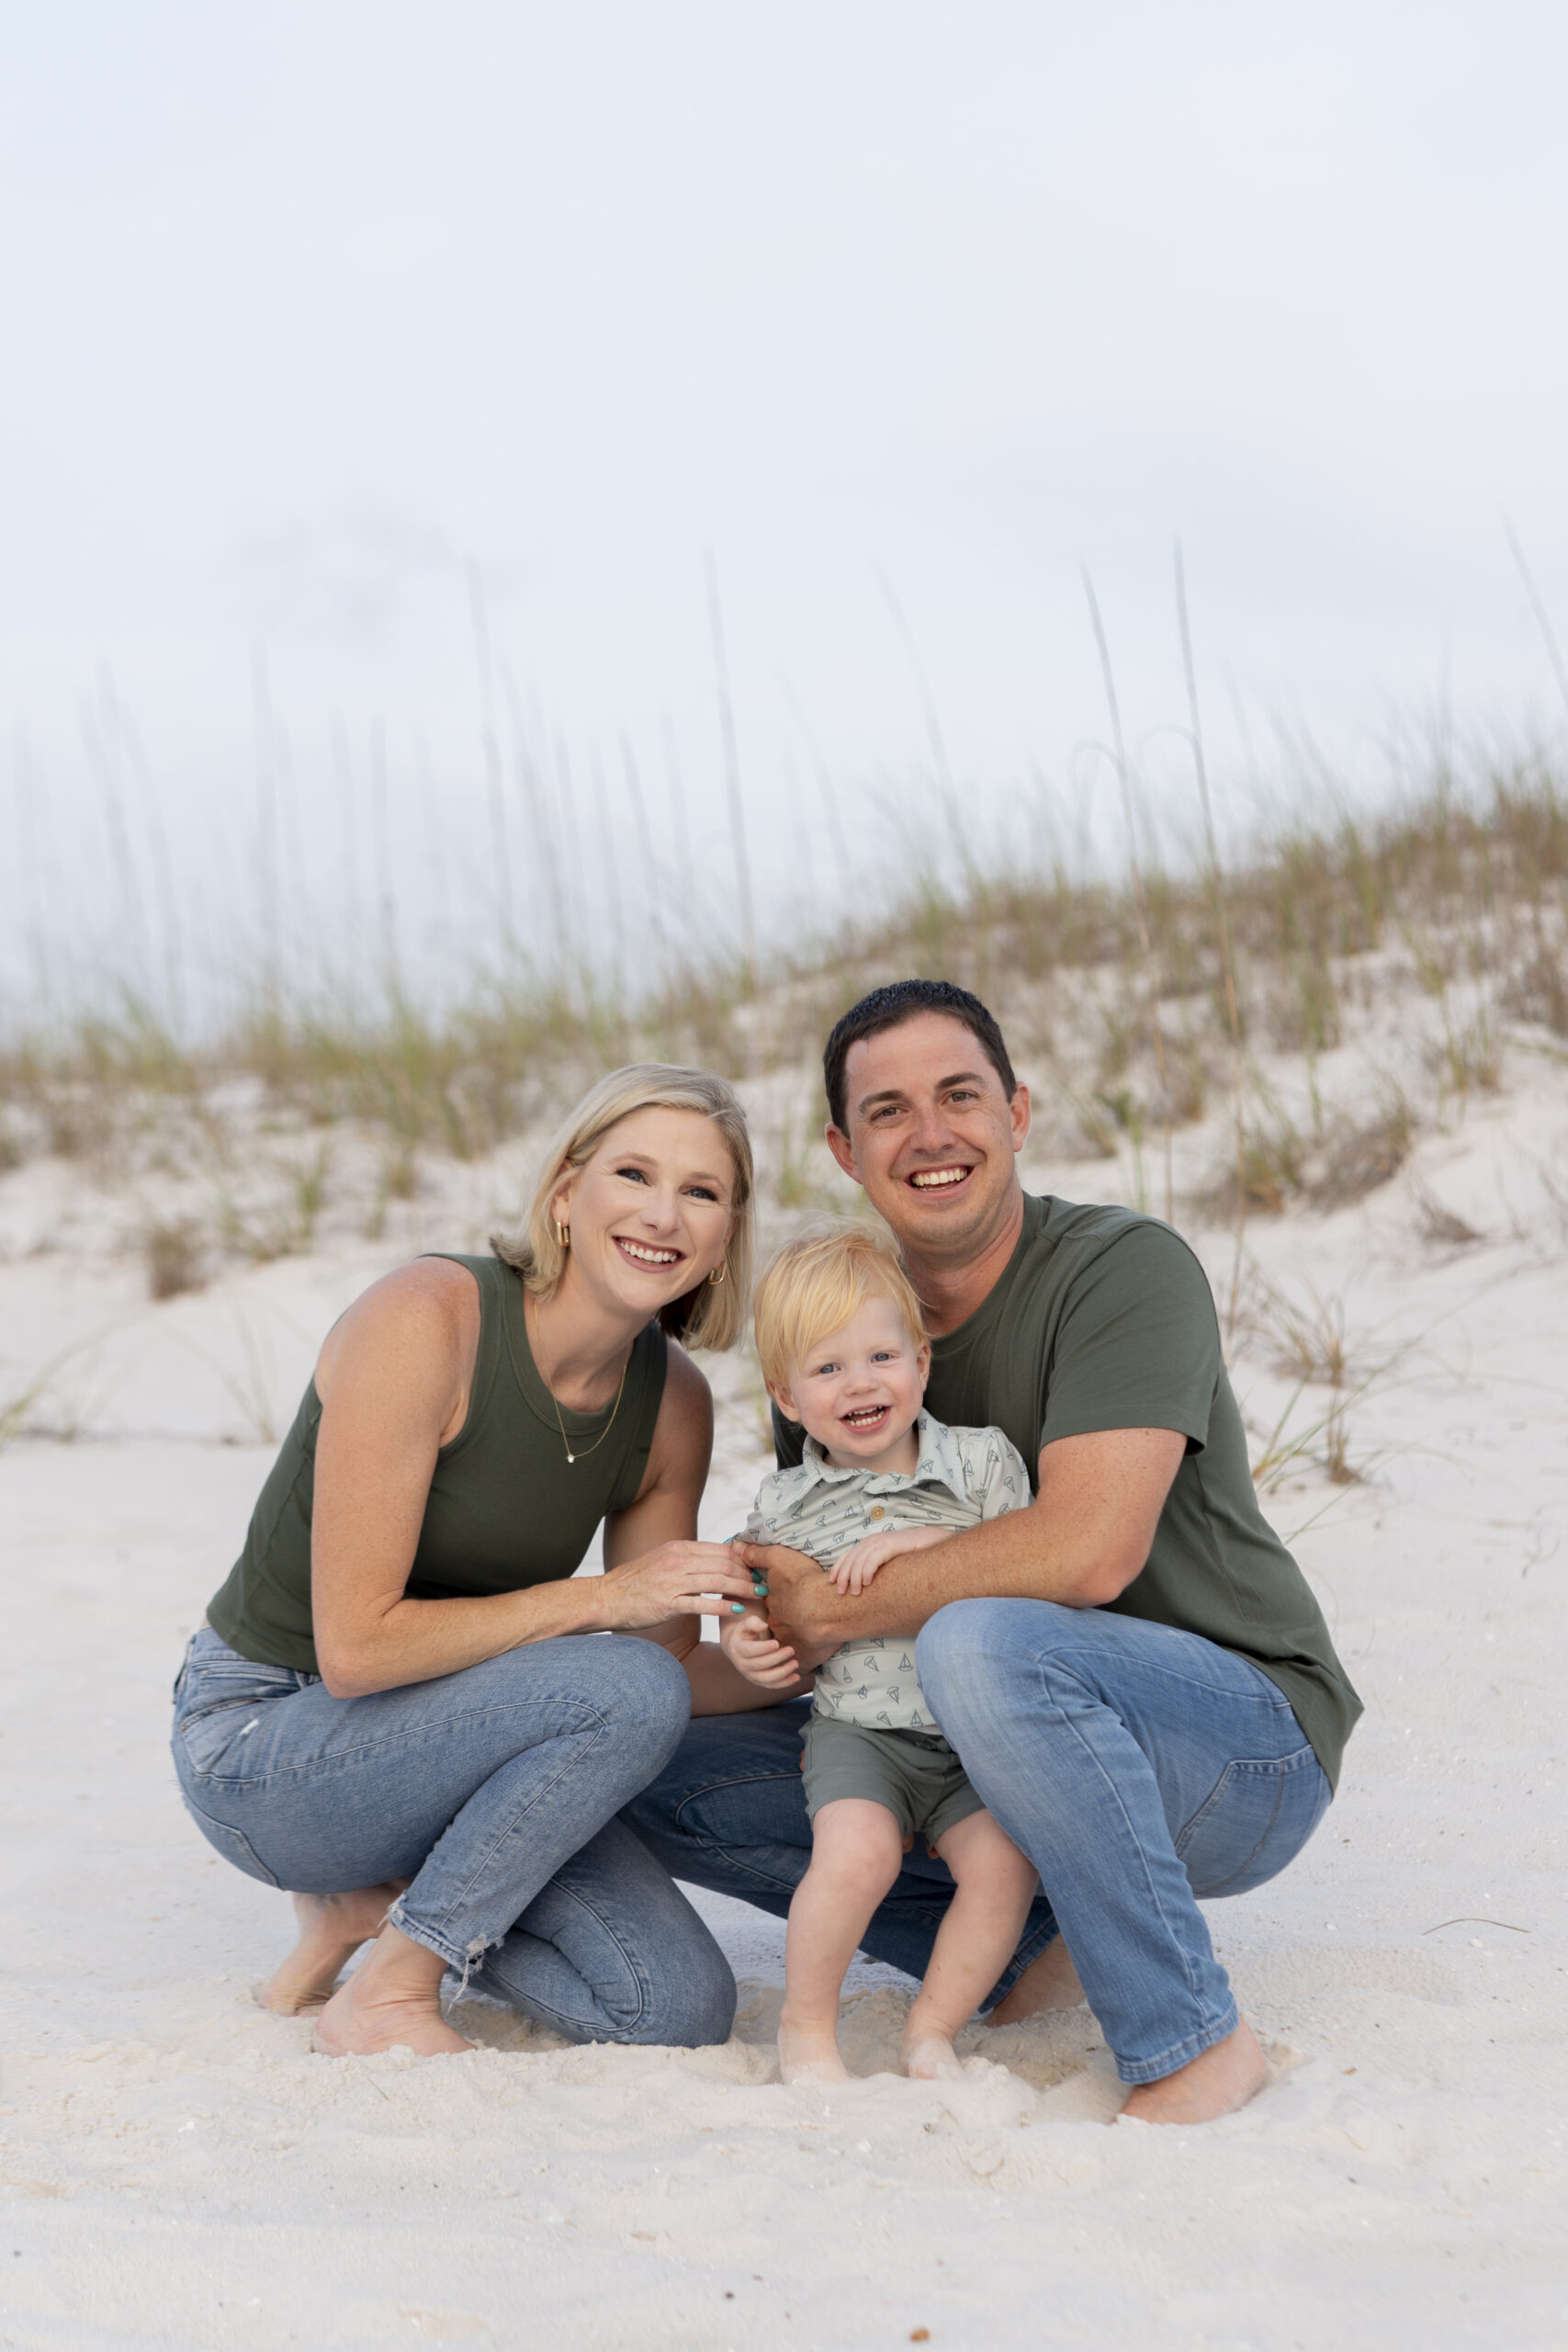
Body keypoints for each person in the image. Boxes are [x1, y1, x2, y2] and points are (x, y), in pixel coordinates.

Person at [626, 980, 1361, 2123]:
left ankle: (1187, 2042)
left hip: (1232, 1741)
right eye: (888, 1111)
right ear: (844, 1148)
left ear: (1017, 1112)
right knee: (639, 1747)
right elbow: (807, 1615)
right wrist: (739, 1642)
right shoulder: (836, 1337)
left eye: (960, 1095)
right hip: (948, 1747)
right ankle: (1029, 1945)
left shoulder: (1123, 1269)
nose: (930, 1134)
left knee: (981, 1637)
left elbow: (1088, 1554)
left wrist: (836, 1610)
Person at [171, 1063, 770, 2059]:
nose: (664, 1214)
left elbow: (661, 1675)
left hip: (461, 1750)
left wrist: (784, 1644)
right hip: (265, 1741)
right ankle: (395, 1985)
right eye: (633, 1173)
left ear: (725, 1233)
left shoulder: (672, 1405)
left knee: (672, 2010)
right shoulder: (429, 1318)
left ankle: (370, 1905)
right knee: (616, 1678)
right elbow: (356, 1649)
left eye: (701, 1192)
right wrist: (605, 1598)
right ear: (566, 1195)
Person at [722, 1227, 1038, 2085]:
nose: (860, 1383)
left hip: (974, 1736)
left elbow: (1031, 1562)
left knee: (1003, 1866)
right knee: (855, 1856)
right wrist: (745, 1641)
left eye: (879, 1356)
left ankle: (931, 2029)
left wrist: (926, 1540)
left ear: (921, 1363)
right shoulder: (785, 1500)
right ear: (787, 1398)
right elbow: (753, 1598)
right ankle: (806, 2028)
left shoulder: (977, 1464)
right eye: (826, 1370)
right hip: (860, 1731)